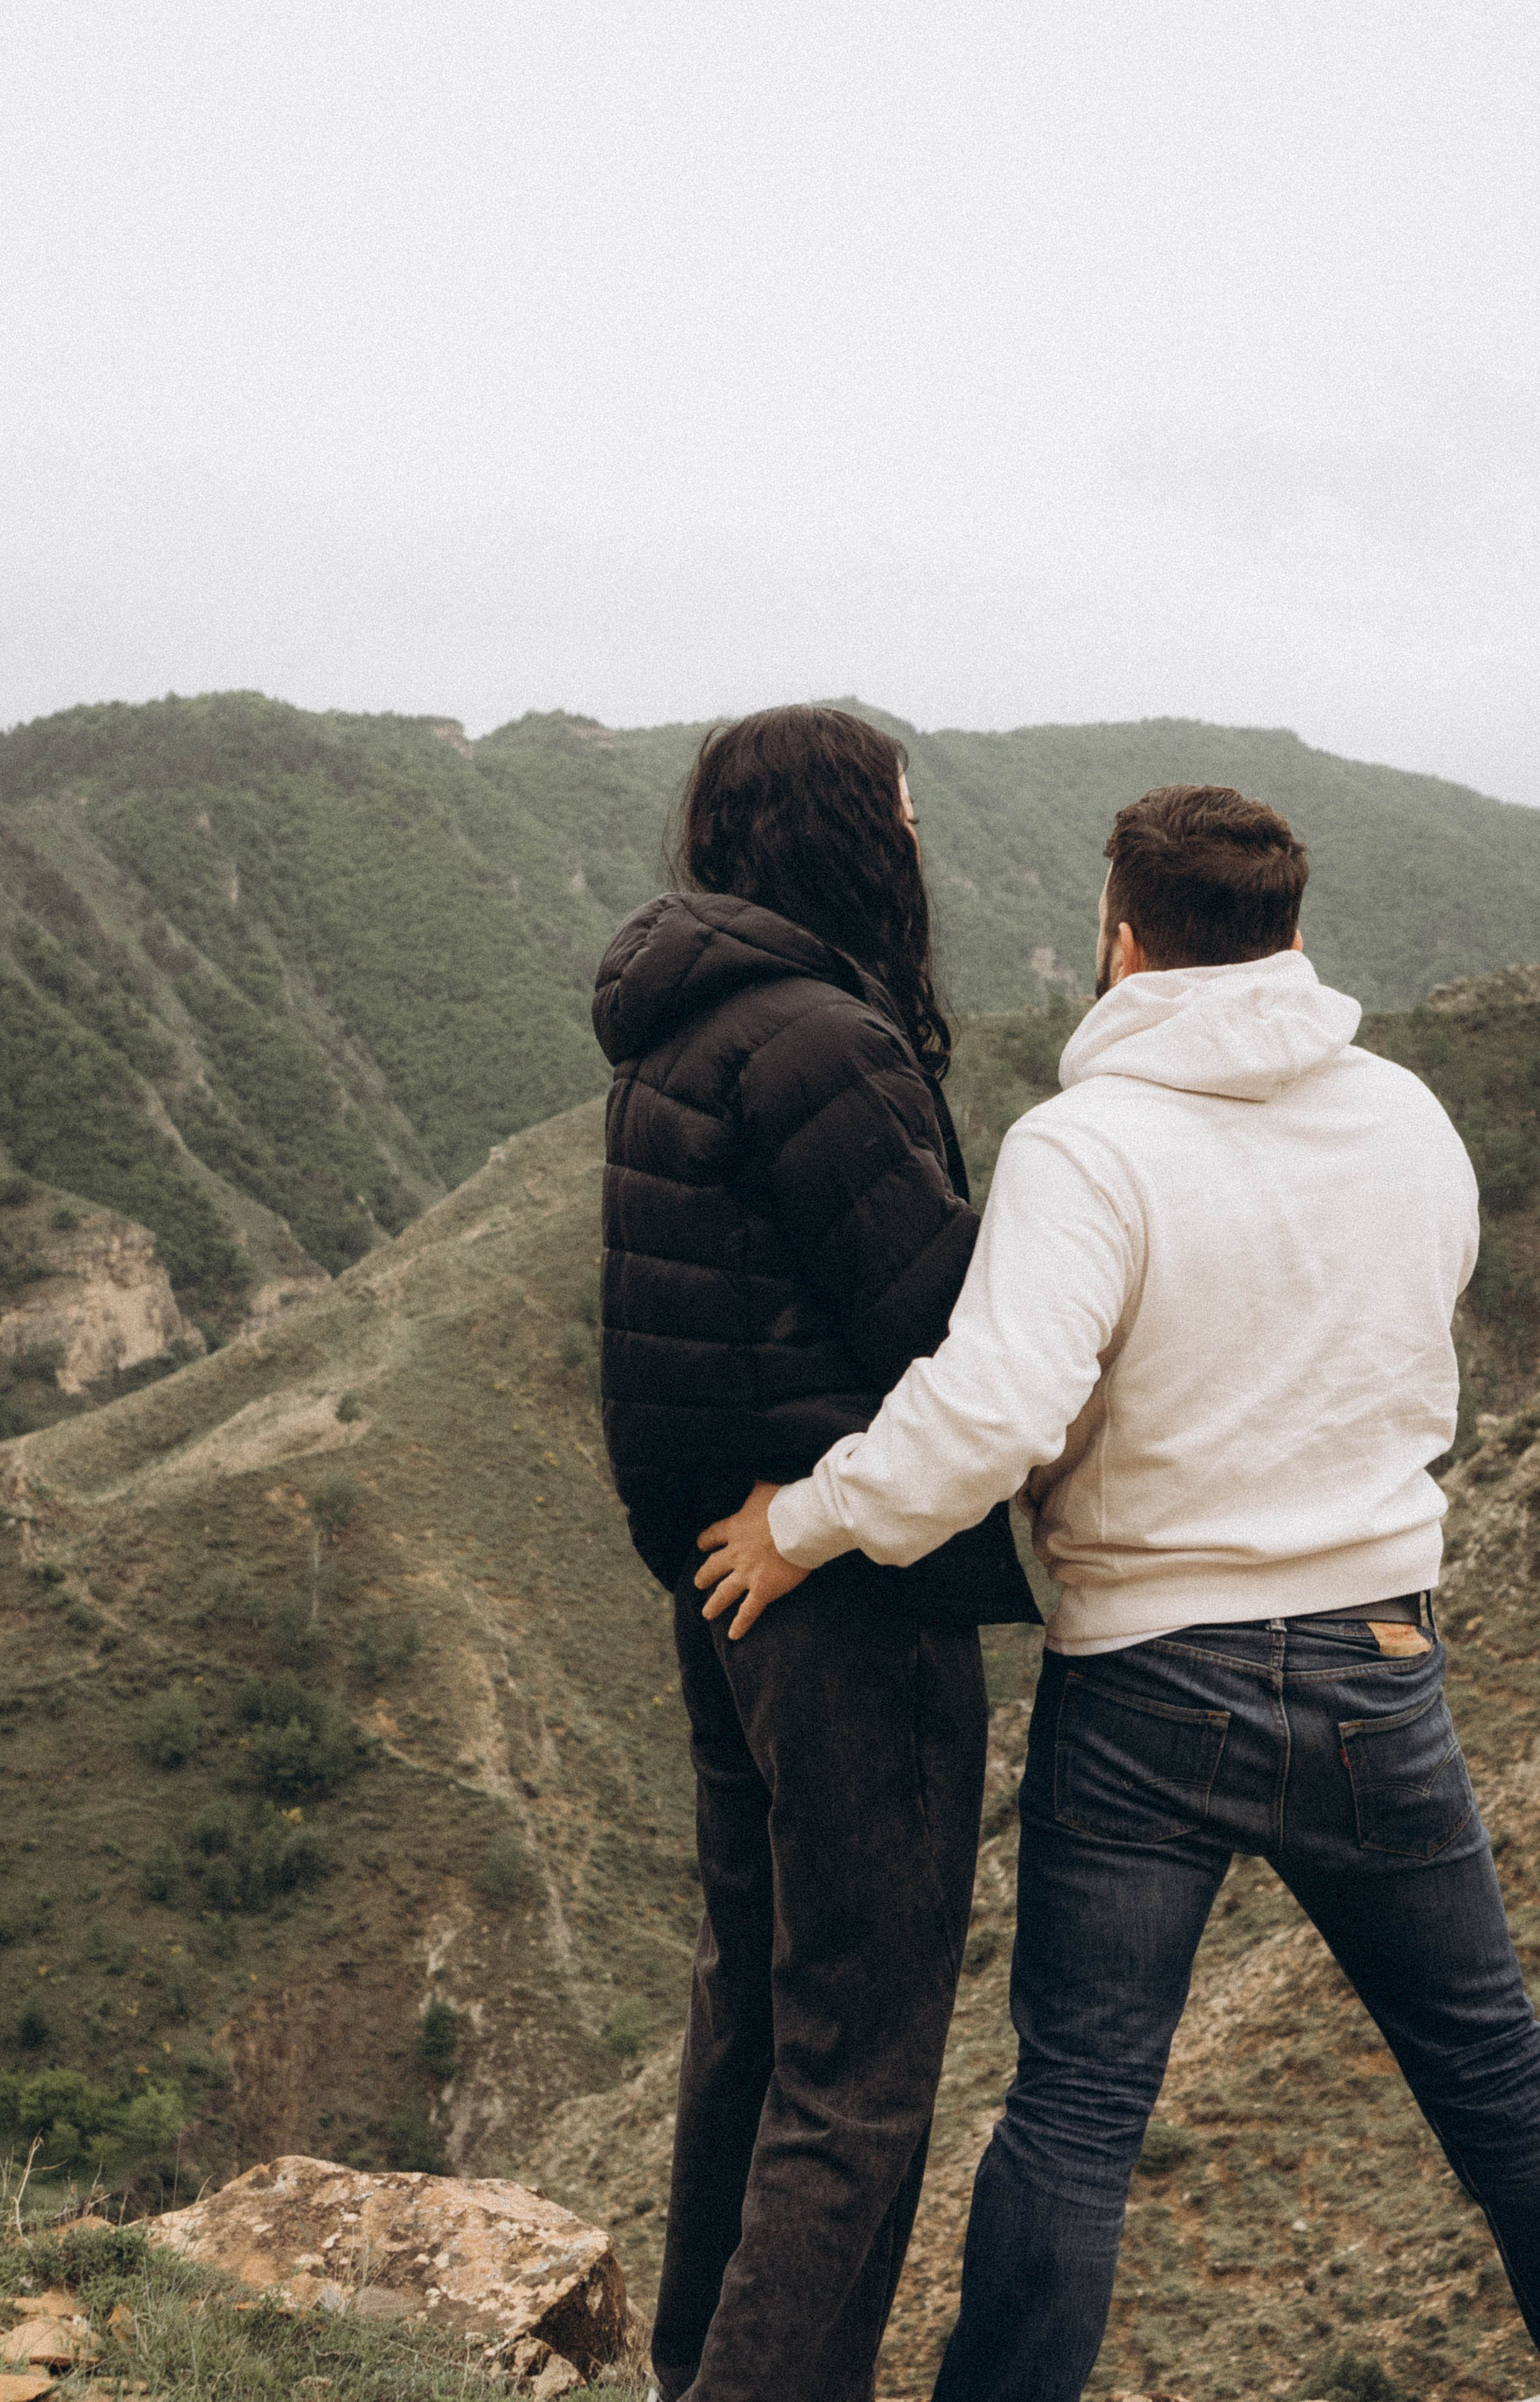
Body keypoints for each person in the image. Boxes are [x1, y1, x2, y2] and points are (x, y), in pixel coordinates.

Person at [696, 782, 1540, 2401]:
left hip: (1154, 1682)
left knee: (1080, 2108)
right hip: (1378, 1660)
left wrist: (802, 1523)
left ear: (1123, 933)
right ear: (1292, 934)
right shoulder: (1406, 1118)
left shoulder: (1089, 1145)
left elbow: (1000, 1411)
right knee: (1498, 2079)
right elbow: (1402, 1331)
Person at [593, 704, 1037, 2402]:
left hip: (724, 1585)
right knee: (859, 2061)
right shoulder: (825, 1045)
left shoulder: (677, 1032)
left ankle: (694, 2366)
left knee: (755, 2015)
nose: (922, 836)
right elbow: (949, 1329)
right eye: (907, 810)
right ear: (855, 834)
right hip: (844, 1585)